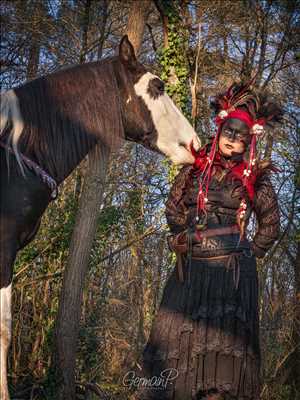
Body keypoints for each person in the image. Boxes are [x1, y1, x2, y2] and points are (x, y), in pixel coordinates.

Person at [133, 81, 282, 400]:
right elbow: (173, 207)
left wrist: (247, 253)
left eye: (242, 136)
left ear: (248, 141)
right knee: (176, 350)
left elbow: (270, 223)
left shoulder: (255, 177)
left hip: (231, 276)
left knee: (221, 360)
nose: (234, 139)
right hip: (191, 270)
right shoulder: (193, 170)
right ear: (220, 128)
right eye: (230, 131)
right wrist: (179, 236)